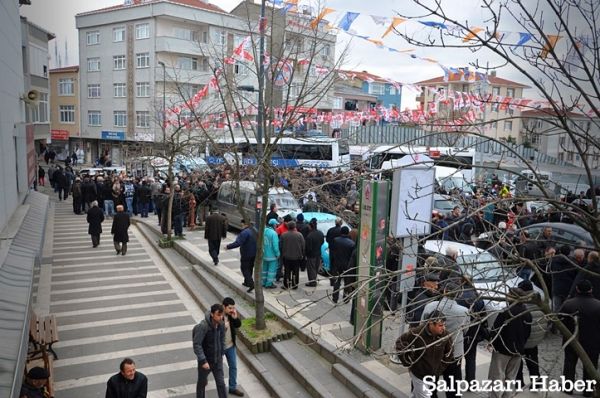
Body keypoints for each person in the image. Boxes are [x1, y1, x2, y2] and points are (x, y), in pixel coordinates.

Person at [421, 282, 469, 398]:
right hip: (454, 351)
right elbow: (465, 330)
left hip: (433, 349)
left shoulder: (430, 306)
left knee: (431, 383)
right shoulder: (463, 311)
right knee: (452, 384)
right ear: (458, 294)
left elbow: (422, 326)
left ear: (443, 291)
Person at [396, 310, 454, 398]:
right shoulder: (417, 332)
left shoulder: (445, 335)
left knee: (417, 394)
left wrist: (440, 368)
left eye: (444, 325)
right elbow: (400, 343)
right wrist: (407, 361)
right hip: (418, 374)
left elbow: (449, 353)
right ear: (431, 324)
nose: (443, 328)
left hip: (432, 374)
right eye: (440, 325)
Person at [488, 288, 532, 398]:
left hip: (502, 350)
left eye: (508, 294)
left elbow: (496, 330)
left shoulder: (505, 312)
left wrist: (491, 342)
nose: (506, 296)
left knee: (497, 376)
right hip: (518, 350)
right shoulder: (527, 312)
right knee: (511, 377)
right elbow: (528, 332)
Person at [560, 279, 600, 397]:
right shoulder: (598, 305)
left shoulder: (568, 304)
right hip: (593, 341)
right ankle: (588, 391)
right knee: (590, 365)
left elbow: (560, 322)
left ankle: (567, 388)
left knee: (569, 364)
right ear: (591, 289)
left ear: (577, 289)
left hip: (572, 340)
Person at [193, 303, 227, 398]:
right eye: (218, 315)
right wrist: (203, 361)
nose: (221, 317)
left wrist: (222, 352)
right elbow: (197, 344)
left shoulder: (221, 325)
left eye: (222, 315)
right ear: (212, 314)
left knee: (221, 384)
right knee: (202, 384)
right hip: (205, 361)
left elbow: (222, 339)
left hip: (217, 361)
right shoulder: (203, 326)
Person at [226, 220, 257, 293]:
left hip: (246, 253)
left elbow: (238, 242)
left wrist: (228, 246)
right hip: (254, 253)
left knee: (244, 268)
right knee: (250, 267)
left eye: (242, 224)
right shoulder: (255, 230)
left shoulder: (244, 232)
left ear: (245, 224)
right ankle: (246, 282)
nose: (241, 226)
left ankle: (250, 283)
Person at [222, 297, 244, 396]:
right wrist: (223, 327)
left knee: (233, 367)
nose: (232, 310)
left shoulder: (231, 315)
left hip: (230, 346)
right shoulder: (217, 315)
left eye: (233, 308)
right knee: (212, 366)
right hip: (220, 347)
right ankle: (203, 377)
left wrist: (235, 318)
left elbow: (238, 325)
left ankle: (232, 387)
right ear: (224, 307)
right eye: (230, 308)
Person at [330, 226, 355, 303]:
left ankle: (335, 297)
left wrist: (333, 262)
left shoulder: (335, 240)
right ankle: (346, 297)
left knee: (337, 281)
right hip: (347, 266)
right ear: (348, 233)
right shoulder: (352, 243)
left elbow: (332, 252)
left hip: (337, 264)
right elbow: (352, 256)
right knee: (347, 282)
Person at [280, 221, 305, 290]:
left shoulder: (283, 235)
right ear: (294, 227)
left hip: (286, 257)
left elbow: (280, 246)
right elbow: (303, 246)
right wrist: (302, 254)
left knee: (287, 271)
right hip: (296, 257)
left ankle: (286, 285)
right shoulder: (299, 235)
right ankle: (294, 285)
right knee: (295, 271)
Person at [304, 218, 324, 287]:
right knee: (315, 267)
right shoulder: (320, 233)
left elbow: (308, 247)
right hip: (318, 253)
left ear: (311, 226)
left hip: (311, 255)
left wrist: (306, 254)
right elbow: (322, 242)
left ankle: (312, 282)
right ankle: (314, 280)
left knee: (311, 268)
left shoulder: (309, 236)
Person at [262, 218, 280, 288]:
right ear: (274, 225)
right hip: (272, 256)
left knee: (264, 270)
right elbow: (275, 246)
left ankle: (263, 282)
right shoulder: (274, 233)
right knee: (271, 271)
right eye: (276, 225)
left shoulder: (263, 231)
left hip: (264, 255)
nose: (276, 226)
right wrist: (278, 254)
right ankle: (269, 283)